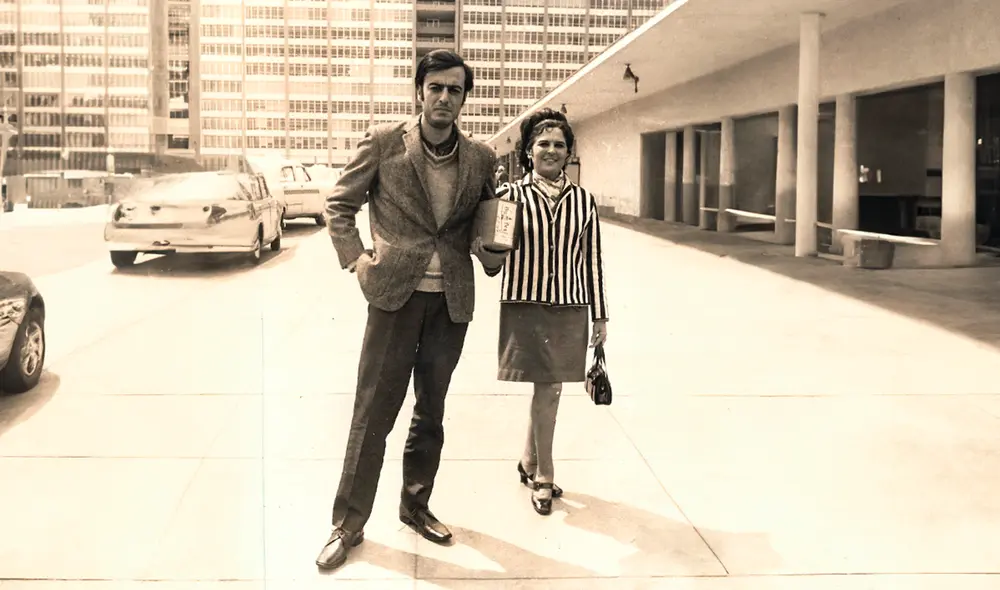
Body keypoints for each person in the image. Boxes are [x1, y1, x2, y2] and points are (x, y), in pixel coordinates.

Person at [316, 49, 508, 570]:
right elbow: (338, 205)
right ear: (419, 92)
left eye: (455, 89)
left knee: (431, 411)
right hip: (394, 298)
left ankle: (415, 506)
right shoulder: (384, 143)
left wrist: (493, 255)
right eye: (436, 87)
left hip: (451, 304)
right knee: (373, 411)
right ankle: (348, 523)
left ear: (466, 98)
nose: (445, 97)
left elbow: (487, 223)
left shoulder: (482, 158)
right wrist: (356, 259)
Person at [491, 108, 609, 516]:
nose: (552, 151)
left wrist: (601, 316)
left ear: (569, 152)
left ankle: (529, 460)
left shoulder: (584, 202)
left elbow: (592, 260)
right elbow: (493, 258)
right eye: (543, 144)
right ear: (528, 152)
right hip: (527, 304)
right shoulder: (511, 197)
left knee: (548, 388)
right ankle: (544, 474)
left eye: (560, 144)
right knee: (549, 389)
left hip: (571, 307)